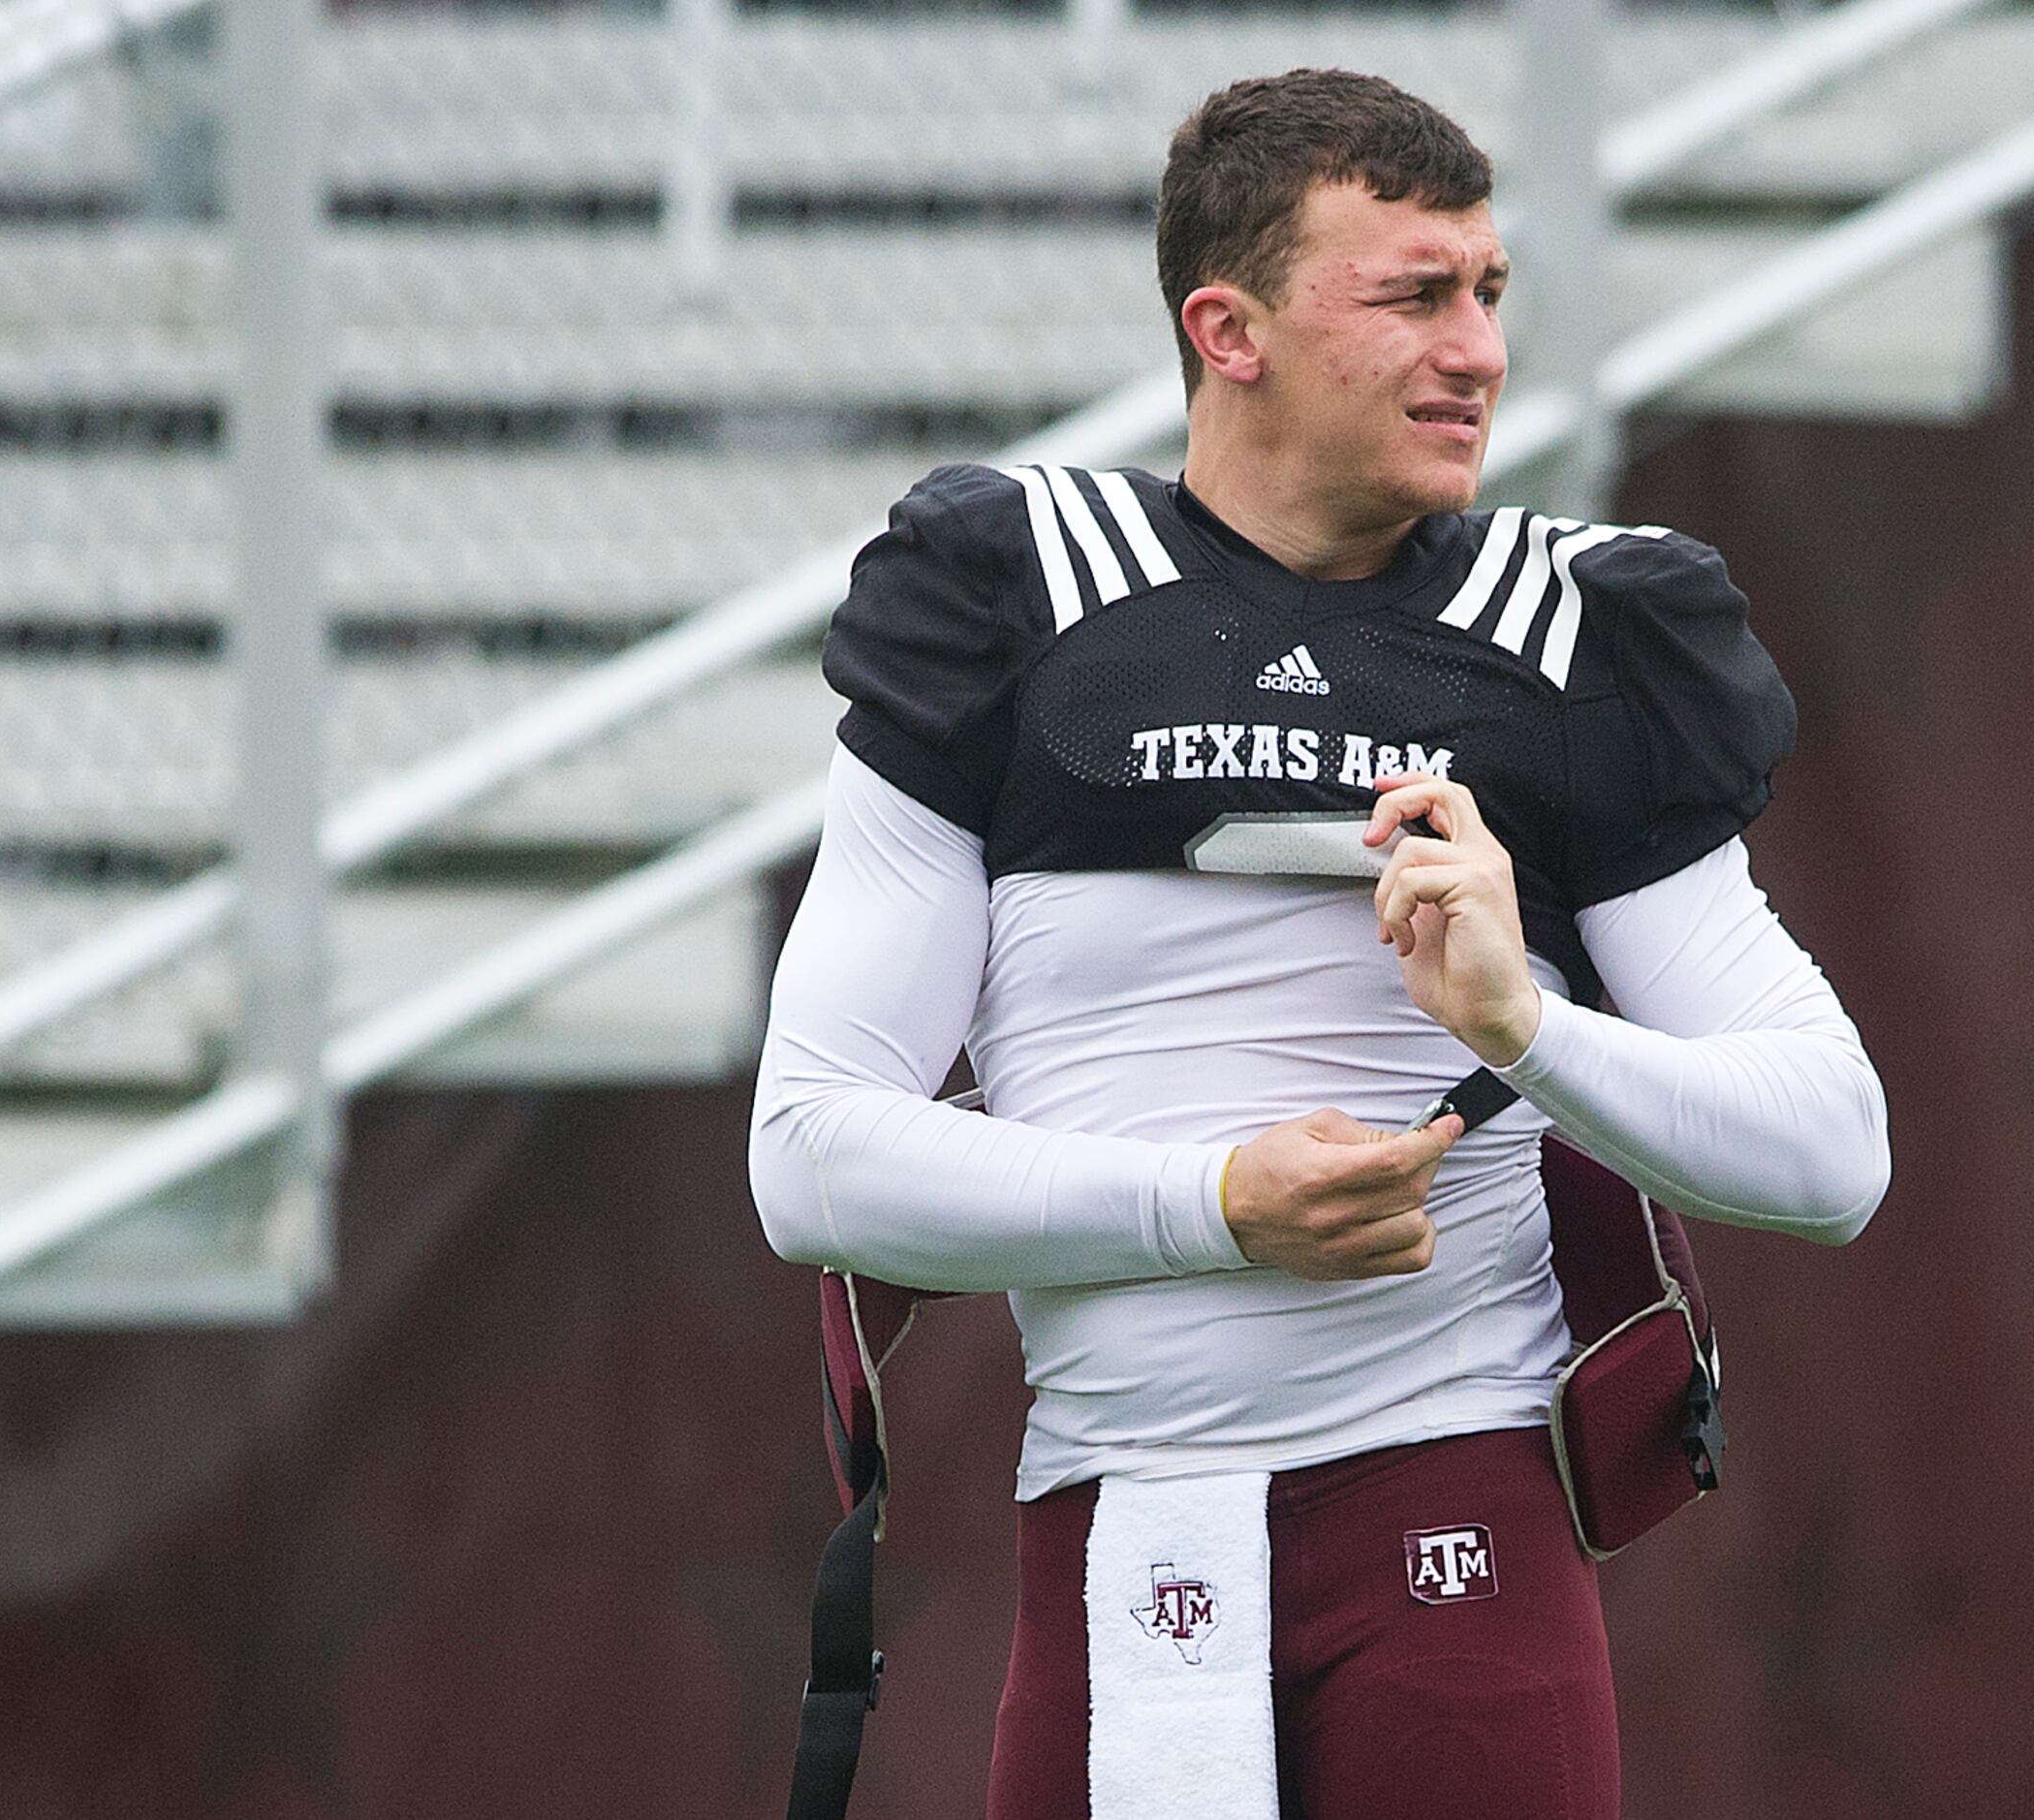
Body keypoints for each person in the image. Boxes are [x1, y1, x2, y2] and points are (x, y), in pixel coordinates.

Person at [748, 68, 1890, 1820]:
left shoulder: (1575, 627)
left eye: (1491, 293)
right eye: (1414, 296)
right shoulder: (1015, 591)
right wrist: (1209, 1208)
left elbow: (1833, 1150)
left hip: (1455, 1503)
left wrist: (1529, 1027)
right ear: (1232, 329)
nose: (1479, 352)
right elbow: (810, 1158)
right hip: (1124, 1509)